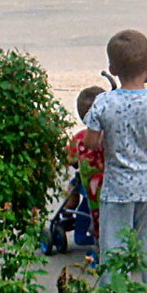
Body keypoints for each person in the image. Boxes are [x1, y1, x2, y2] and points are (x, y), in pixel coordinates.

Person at [84, 30, 147, 289]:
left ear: (112, 68)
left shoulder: (103, 102)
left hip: (116, 188)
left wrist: (105, 139)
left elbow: (90, 141)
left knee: (113, 243)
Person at [64, 86, 107, 247]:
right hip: (112, 181)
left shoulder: (79, 138)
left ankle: (67, 215)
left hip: (90, 185)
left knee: (74, 187)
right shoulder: (112, 134)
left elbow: (68, 159)